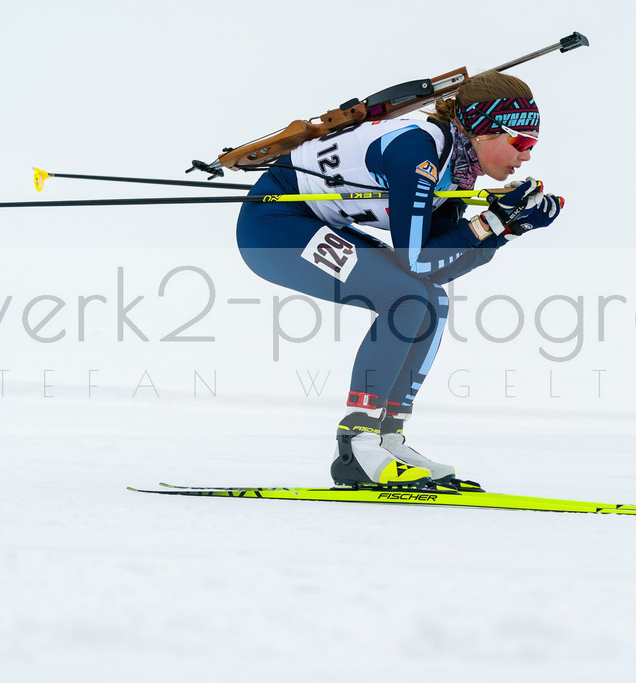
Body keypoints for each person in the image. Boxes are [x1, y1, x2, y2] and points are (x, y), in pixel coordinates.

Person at [235, 71, 564, 489]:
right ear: (482, 131)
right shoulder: (417, 153)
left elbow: (435, 268)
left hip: (310, 222)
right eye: (520, 142)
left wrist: (506, 229)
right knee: (407, 299)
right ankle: (357, 441)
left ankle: (387, 436)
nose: (527, 155)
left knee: (431, 300)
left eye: (532, 144)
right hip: (274, 226)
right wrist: (492, 222)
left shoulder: (455, 170)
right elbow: (418, 260)